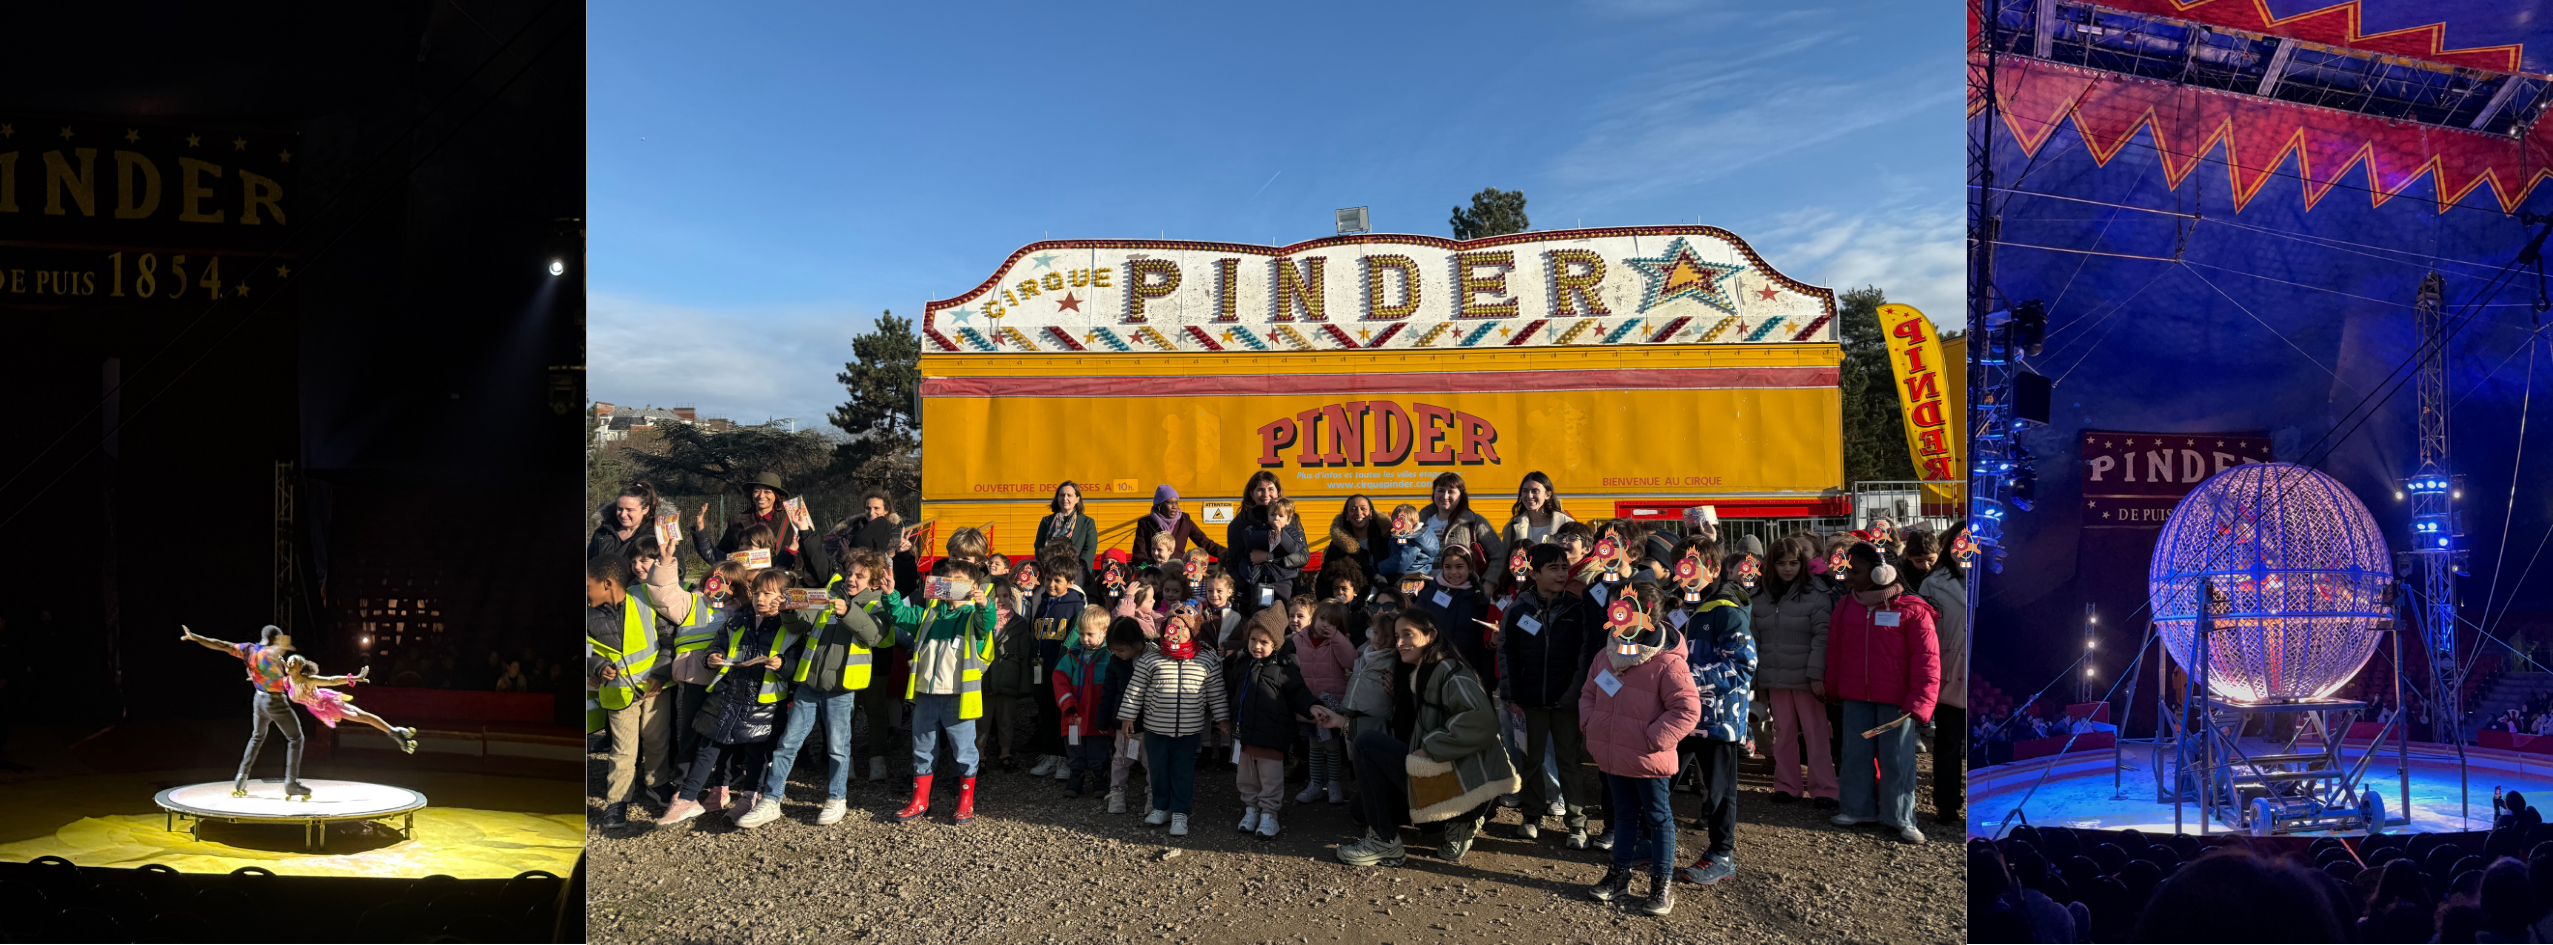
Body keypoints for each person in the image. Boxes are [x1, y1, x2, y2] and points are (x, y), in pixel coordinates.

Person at [737, 548, 917, 828]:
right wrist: (788, 611)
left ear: (872, 582)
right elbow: (800, 626)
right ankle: (771, 800)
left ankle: (836, 799)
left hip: (842, 687)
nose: (851, 579)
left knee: (838, 747)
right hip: (811, 683)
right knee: (787, 743)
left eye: (860, 575)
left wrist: (848, 612)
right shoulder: (830, 595)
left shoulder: (879, 604)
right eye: (850, 573)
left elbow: (873, 634)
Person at [1328, 609, 1519, 867]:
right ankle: (1454, 822)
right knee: (1361, 807)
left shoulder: (1449, 670)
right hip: (1446, 778)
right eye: (1396, 636)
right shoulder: (1421, 671)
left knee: (1365, 745)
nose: (1398, 643)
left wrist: (1430, 749)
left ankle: (1387, 841)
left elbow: (1481, 720)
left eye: (1407, 635)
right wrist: (1344, 723)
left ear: (1430, 636)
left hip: (1463, 783)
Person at [656, 569, 817, 826]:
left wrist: (783, 664)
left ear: (784, 598)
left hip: (763, 701)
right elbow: (719, 643)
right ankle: (686, 800)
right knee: (709, 746)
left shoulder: (792, 628)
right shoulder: (737, 620)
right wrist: (713, 656)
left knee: (757, 752)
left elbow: (798, 665)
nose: (760, 598)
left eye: (769, 593)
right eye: (757, 592)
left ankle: (749, 799)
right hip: (729, 692)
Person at [1579, 584, 1700, 917]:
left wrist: (1654, 739)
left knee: (1658, 819)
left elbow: (1687, 709)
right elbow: (1588, 694)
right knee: (1623, 816)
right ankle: (1620, 874)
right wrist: (1591, 726)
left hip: (1648, 758)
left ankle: (1661, 884)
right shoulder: (1606, 654)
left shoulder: (1666, 663)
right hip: (1613, 755)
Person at [1825, 544, 1940, 844]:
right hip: (1856, 697)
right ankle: (1856, 808)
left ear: (1881, 573)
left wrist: (1920, 701)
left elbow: (1926, 659)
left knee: (1897, 759)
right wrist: (1833, 688)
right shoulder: (1846, 605)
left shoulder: (1912, 609)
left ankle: (1901, 816)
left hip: (1897, 702)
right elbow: (1835, 651)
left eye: (1855, 570)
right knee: (1854, 754)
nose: (1847, 575)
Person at [1498, 542, 1601, 847]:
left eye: (1564, 567)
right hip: (1529, 701)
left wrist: (1574, 694)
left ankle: (1577, 824)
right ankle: (1531, 816)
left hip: (1565, 701)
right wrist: (1511, 693)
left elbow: (1585, 656)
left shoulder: (1576, 607)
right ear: (1534, 573)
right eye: (1553, 568)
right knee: (1531, 758)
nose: (1561, 573)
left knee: (1569, 762)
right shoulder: (1518, 608)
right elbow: (1507, 652)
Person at [1664, 542, 1754, 886]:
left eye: (1692, 566)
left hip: (1717, 718)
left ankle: (1721, 854)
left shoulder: (1727, 610)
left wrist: (1686, 680)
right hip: (1677, 714)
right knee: (1661, 777)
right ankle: (1649, 842)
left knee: (1719, 791)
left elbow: (1742, 665)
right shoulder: (1676, 607)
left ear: (1714, 570)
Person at [894, 557, 999, 825]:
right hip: (926, 697)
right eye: (947, 581)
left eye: (959, 582)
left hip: (958, 697)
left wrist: (984, 604)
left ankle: (965, 802)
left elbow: (986, 623)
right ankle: (919, 801)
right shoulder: (930, 613)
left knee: (964, 750)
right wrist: (889, 594)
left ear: (973, 586)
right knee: (922, 748)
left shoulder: (972, 616)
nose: (952, 586)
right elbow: (901, 616)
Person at [1116, 604, 1233, 837]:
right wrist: (1128, 715)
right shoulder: (1152, 657)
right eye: (1171, 626)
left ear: (1192, 632)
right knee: (1158, 769)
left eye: (1181, 628)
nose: (1175, 631)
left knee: (1182, 770)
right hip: (1156, 727)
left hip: (1189, 729)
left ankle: (1180, 811)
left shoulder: (1205, 659)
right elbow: (1135, 689)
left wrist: (1222, 719)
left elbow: (1217, 692)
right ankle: (1161, 806)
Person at [581, 554, 670, 827]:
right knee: (623, 749)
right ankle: (617, 800)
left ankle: (657, 784)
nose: (585, 592)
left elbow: (668, 638)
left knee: (657, 739)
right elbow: (586, 650)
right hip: (618, 693)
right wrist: (596, 666)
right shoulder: (587, 615)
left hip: (655, 687)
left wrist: (660, 674)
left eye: (588, 586)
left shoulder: (645, 601)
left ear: (607, 583)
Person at [180, 623, 313, 801]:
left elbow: (221, 644)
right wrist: (282, 647)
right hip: (275, 701)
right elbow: (274, 654)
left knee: (257, 736)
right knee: (296, 738)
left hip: (259, 700)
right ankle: (291, 782)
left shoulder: (248, 649)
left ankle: (240, 779)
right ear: (274, 639)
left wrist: (196, 637)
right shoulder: (272, 651)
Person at [1753, 535, 1837, 808]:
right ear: (1771, 565)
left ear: (1802, 563)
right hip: (1774, 676)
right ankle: (1787, 785)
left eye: (1793, 562)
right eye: (1781, 563)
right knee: (1783, 732)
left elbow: (1822, 637)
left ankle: (1824, 788)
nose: (1788, 568)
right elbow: (1754, 639)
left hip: (1806, 678)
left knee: (1816, 733)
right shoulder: (1759, 597)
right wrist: (1755, 679)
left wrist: (1816, 674)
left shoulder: (1817, 594)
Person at [1227, 608, 1323, 839]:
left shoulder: (1285, 668)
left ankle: (1269, 814)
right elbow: (1233, 692)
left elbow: (1298, 692)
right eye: (1253, 639)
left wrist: (1311, 707)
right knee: (1246, 776)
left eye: (1264, 641)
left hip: (1272, 735)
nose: (1256, 646)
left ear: (1276, 643)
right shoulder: (1242, 664)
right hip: (1244, 733)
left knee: (1270, 778)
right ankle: (1251, 810)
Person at [1910, 527, 1969, 824]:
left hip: (1981, 679)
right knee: (1947, 743)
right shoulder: (1933, 583)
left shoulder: (1999, 578)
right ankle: (1947, 804)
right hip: (1947, 672)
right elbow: (1921, 633)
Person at [1023, 556, 1091, 782]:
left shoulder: (1076, 605)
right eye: (1048, 579)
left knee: (1065, 714)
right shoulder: (1042, 601)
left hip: (1062, 672)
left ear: (1070, 582)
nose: (1051, 585)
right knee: (1046, 712)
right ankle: (1050, 753)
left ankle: (1066, 757)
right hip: (1040, 670)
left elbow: (1075, 641)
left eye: (1058, 581)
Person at [1293, 601, 1358, 807]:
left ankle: (1334, 783)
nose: (1325, 625)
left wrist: (1337, 638)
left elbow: (1351, 662)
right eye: (1322, 619)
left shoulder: (1340, 642)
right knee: (1314, 746)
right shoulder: (1299, 639)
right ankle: (1315, 784)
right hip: (1308, 705)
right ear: (1314, 617)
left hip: (1331, 706)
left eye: (1332, 623)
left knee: (1332, 747)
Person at [282, 656, 417, 753]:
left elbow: (332, 681)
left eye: (293, 662)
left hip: (328, 704)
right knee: (362, 716)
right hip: (318, 708)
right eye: (288, 661)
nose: (289, 663)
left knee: (362, 716)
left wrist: (353, 678)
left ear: (300, 668)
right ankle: (395, 732)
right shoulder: (287, 681)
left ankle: (394, 732)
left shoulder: (308, 680)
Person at [1051, 604, 1118, 797]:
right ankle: (1076, 778)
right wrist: (1067, 702)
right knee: (1075, 750)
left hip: (1099, 716)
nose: (1085, 639)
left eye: (1090, 634)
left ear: (1104, 632)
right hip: (1074, 715)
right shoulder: (1071, 656)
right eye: (1082, 634)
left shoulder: (1110, 656)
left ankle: (1100, 780)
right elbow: (1059, 679)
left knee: (1099, 752)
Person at [1412, 550, 1496, 686]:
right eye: (1448, 567)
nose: (1453, 572)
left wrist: (1487, 680)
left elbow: (1484, 645)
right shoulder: (1428, 595)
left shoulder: (1479, 600)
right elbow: (1416, 629)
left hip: (1467, 672)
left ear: (1469, 568)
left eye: (1459, 566)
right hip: (1433, 669)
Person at [1099, 617, 1152, 813]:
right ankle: (1117, 791)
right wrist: (1103, 720)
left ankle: (1153, 794)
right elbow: (1108, 691)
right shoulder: (1115, 662)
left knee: (1150, 761)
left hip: (1149, 722)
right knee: (1121, 758)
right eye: (1115, 651)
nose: (1118, 654)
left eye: (1121, 650)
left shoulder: (1153, 658)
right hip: (1122, 722)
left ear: (1137, 644)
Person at [1230, 495, 1310, 620]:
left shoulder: (1292, 532)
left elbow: (1292, 549)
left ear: (1288, 520)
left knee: (1282, 609)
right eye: (1273, 515)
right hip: (1261, 580)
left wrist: (1280, 535)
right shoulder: (1259, 528)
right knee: (1261, 611)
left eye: (1281, 516)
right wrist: (1269, 535)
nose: (1276, 518)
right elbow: (1249, 539)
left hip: (1282, 579)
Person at [1414, 472, 1503, 579]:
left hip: (1463, 588)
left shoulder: (1474, 522)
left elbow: (1500, 556)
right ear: (1434, 493)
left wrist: (1488, 584)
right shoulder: (1420, 522)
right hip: (1426, 587)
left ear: (1461, 496)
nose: (1445, 496)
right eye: (1441, 490)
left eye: (1451, 492)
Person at [1131, 484, 1227, 566]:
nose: (1174, 507)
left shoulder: (1184, 520)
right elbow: (1139, 555)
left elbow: (1205, 543)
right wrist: (1151, 567)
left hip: (1178, 572)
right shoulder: (1145, 523)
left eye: (1176, 503)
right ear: (1159, 506)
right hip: (1155, 574)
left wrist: (1229, 554)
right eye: (1170, 503)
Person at [589, 481, 662, 564]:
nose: (623, 515)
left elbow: (674, 569)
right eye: (620, 509)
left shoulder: (658, 536)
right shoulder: (604, 530)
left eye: (630, 510)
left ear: (645, 509)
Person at [1035, 481, 1100, 568]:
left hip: (1078, 573)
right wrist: (1045, 565)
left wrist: (1077, 571)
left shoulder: (1087, 522)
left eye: (1069, 495)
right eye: (1062, 495)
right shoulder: (1046, 521)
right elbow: (1039, 546)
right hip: (1051, 571)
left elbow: (1089, 550)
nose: (1065, 498)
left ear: (1077, 499)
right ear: (1057, 498)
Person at [1504, 471, 1575, 548]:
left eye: (1535, 491)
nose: (1529, 496)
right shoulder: (1512, 527)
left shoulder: (1566, 524)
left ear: (1548, 495)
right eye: (1525, 491)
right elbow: (1504, 557)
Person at [1328, 495, 1392, 580]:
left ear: (1371, 514)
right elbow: (1328, 575)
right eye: (1353, 509)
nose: (1358, 513)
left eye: (1363, 509)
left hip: (1388, 591)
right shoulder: (1336, 547)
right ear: (1347, 515)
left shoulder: (1388, 539)